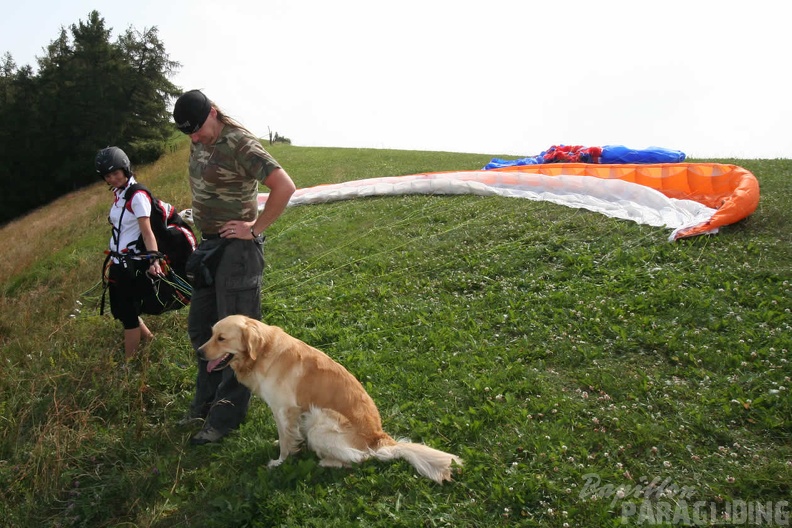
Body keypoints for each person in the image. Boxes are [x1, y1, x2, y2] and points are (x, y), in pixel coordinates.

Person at [173, 89, 296, 445]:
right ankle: (205, 402)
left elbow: (284, 186)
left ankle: (224, 418)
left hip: (237, 253)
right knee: (202, 329)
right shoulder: (199, 139)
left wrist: (254, 229)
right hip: (210, 247)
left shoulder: (239, 143)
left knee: (237, 341)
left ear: (214, 113)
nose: (194, 138)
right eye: (188, 134)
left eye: (197, 129)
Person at [96, 146, 166, 360]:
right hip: (118, 262)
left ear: (125, 169)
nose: (113, 178)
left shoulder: (137, 196)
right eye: (108, 176)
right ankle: (150, 340)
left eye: (116, 173)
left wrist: (153, 258)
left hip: (131, 265)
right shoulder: (120, 194)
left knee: (128, 315)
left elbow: (147, 232)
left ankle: (129, 363)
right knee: (121, 309)